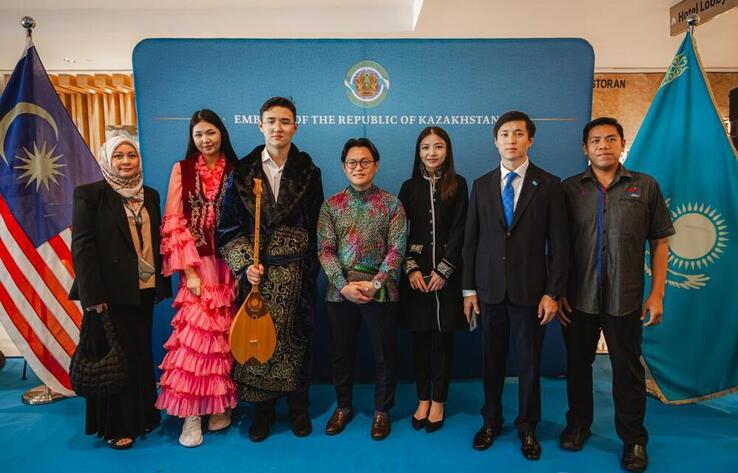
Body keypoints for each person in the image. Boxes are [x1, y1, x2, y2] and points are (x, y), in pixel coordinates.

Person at [558, 117, 674, 472]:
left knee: (627, 371)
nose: (603, 145)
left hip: (626, 298)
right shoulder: (569, 189)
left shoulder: (644, 186)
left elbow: (660, 242)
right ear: (585, 148)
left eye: (610, 139)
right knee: (578, 366)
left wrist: (657, 294)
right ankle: (578, 424)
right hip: (578, 298)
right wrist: (558, 290)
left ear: (622, 144)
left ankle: (634, 439)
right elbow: (559, 247)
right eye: (595, 140)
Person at [462, 110, 568, 460]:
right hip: (489, 291)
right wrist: (469, 290)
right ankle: (491, 421)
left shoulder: (549, 184)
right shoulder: (480, 185)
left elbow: (560, 245)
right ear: (495, 141)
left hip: (531, 293)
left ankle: (528, 427)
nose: (511, 139)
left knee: (529, 365)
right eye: (505, 133)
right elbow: (470, 243)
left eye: (518, 133)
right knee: (491, 363)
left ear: (530, 140)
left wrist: (553, 292)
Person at [217, 97, 323, 442]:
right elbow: (227, 228)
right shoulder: (243, 171)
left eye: (285, 121)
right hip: (257, 277)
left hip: (296, 277)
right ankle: (261, 412)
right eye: (271, 121)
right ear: (260, 125)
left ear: (296, 126)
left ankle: (298, 410)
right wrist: (245, 265)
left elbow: (317, 227)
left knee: (296, 343)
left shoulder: (309, 171)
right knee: (257, 343)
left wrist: (308, 271)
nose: (278, 127)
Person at [69, 135, 172, 450]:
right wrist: (92, 296)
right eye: (119, 157)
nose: (126, 162)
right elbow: (83, 247)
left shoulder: (150, 195)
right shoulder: (91, 195)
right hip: (108, 294)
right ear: (107, 161)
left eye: (132, 155)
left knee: (140, 354)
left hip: (143, 289)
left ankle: (144, 416)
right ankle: (116, 425)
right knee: (115, 357)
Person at [155, 110, 239, 447]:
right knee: (194, 338)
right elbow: (174, 220)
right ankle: (191, 416)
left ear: (222, 134)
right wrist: (188, 271)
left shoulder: (236, 170)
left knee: (222, 338)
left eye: (211, 133)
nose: (205, 140)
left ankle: (216, 405)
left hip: (227, 264)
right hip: (196, 265)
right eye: (199, 134)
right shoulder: (182, 169)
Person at [317, 138, 407, 441]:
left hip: (379, 292)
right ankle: (343, 406)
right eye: (352, 162)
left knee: (384, 354)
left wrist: (376, 283)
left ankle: (382, 410)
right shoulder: (331, 205)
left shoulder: (392, 204)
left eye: (365, 162)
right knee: (341, 354)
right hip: (339, 293)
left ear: (376, 165)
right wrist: (343, 286)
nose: (358, 167)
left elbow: (397, 249)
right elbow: (325, 250)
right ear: (344, 167)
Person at [398, 127, 468, 433]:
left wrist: (444, 270)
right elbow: (399, 232)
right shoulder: (408, 186)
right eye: (425, 147)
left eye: (438, 147)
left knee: (443, 341)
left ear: (448, 151)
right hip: (416, 276)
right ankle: (423, 398)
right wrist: (411, 268)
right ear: (418, 152)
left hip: (447, 277)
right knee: (420, 341)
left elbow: (461, 229)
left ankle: (439, 400)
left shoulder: (459, 184)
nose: (431, 153)